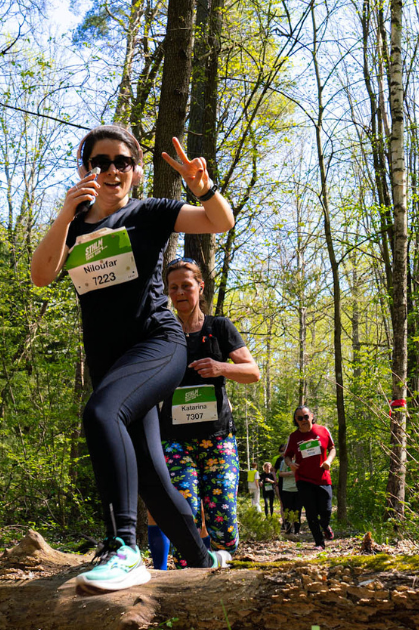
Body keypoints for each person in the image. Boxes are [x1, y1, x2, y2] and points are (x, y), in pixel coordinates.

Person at [30, 126, 234, 591]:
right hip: (110, 361)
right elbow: (41, 275)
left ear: (136, 172)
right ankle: (204, 560)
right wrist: (65, 212)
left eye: (121, 161)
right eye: (99, 162)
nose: (111, 170)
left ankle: (123, 547)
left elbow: (218, 222)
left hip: (158, 346)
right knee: (149, 473)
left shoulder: (152, 212)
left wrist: (203, 187)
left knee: (101, 413)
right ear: (86, 170)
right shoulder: (75, 226)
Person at [147, 257, 260, 569]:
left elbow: (253, 372)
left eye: (186, 285)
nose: (180, 292)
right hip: (174, 440)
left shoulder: (218, 327)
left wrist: (220, 367)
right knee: (185, 507)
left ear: (200, 286)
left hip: (217, 437)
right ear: (167, 292)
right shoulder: (161, 331)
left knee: (222, 510)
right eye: (174, 287)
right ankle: (189, 570)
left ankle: (221, 562)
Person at [284, 405, 336, 549]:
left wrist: (328, 461)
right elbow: (287, 456)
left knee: (326, 510)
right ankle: (319, 543)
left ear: (312, 416)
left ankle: (325, 526)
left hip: (323, 477)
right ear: (296, 420)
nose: (304, 420)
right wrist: (291, 464)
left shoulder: (323, 431)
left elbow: (332, 448)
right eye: (300, 418)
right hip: (303, 479)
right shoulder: (293, 437)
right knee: (311, 512)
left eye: (306, 416)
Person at [275, 443, 301, 534]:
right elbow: (280, 474)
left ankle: (297, 531)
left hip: (298, 489)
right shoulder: (283, 462)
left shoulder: (299, 461)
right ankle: (288, 530)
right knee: (287, 510)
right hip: (287, 489)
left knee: (297, 510)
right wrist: (291, 473)